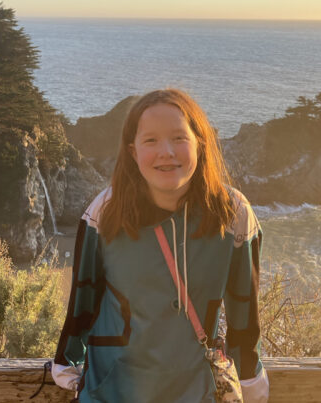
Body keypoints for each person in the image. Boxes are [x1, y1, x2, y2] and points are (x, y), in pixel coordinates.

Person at [52, 89, 269, 402]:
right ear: (132, 150)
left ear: (200, 142)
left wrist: (249, 380)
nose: (166, 151)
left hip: (196, 391)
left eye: (179, 138)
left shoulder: (232, 214)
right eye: (150, 140)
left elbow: (244, 313)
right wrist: (67, 365)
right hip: (113, 391)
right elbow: (82, 303)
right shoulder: (105, 212)